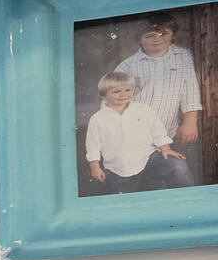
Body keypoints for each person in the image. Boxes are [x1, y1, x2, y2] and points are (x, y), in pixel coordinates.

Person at [113, 13, 202, 175]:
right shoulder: (127, 66)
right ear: (140, 39)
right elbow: (112, 103)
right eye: (150, 35)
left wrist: (190, 120)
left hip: (170, 134)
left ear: (173, 34)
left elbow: (190, 88)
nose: (157, 39)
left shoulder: (183, 56)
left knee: (179, 172)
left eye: (164, 34)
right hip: (135, 138)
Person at [86, 72, 193, 194]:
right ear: (103, 95)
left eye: (127, 90)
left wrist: (165, 148)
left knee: (178, 167)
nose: (123, 95)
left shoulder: (143, 110)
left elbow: (157, 129)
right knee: (127, 199)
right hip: (119, 167)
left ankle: (186, 199)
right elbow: (93, 145)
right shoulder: (98, 119)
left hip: (148, 158)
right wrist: (94, 166)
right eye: (116, 92)